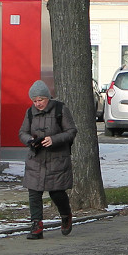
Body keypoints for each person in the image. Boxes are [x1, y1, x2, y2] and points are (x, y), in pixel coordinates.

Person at [18, 80, 77, 240]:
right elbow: (22, 132)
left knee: (57, 192)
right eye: (35, 101)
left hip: (56, 159)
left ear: (47, 98)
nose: (37, 104)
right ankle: (36, 226)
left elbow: (71, 131)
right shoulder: (30, 112)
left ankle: (66, 215)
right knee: (34, 193)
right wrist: (30, 140)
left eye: (40, 100)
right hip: (35, 159)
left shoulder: (60, 110)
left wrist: (53, 139)